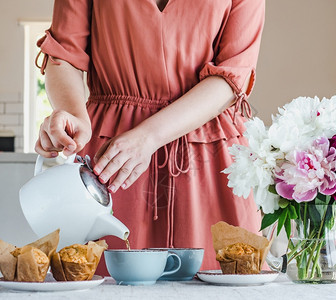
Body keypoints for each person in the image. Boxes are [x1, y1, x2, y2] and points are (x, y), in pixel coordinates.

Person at [35, 0, 265, 275]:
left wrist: (148, 137)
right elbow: (63, 56)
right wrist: (73, 114)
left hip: (209, 158)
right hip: (112, 158)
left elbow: (231, 77)